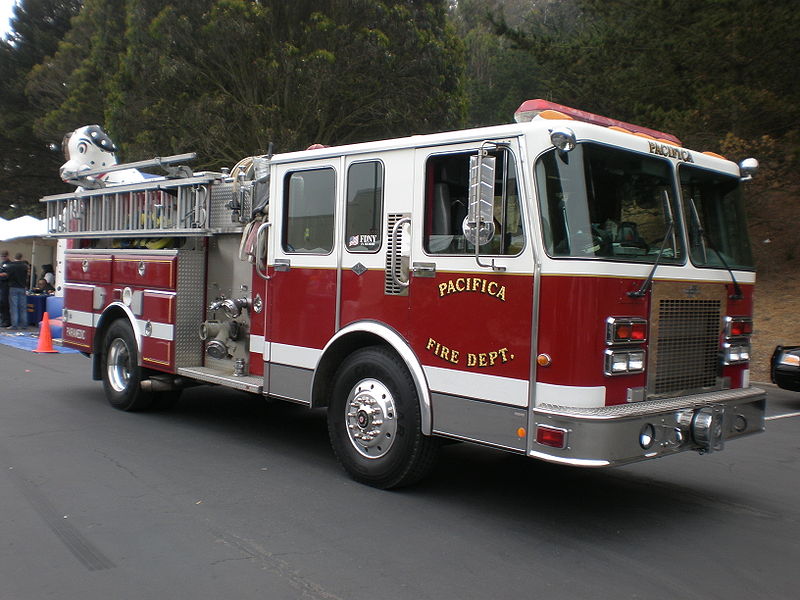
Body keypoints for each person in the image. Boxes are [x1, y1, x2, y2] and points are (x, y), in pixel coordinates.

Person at [3, 253, 30, 329]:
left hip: (13, 287)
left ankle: (14, 325)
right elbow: (27, 276)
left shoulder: (10, 266)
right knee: (23, 307)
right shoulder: (25, 266)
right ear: (21, 257)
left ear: (14, 257)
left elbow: (7, 276)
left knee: (14, 307)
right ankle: (24, 325)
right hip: (22, 287)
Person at [0, 250, 10, 327]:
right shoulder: (2, 264)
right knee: (2, 304)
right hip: (2, 286)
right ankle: (3, 320)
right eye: (1, 256)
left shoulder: (9, 264)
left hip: (5, 287)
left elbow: (7, 275)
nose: (2, 257)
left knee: (5, 304)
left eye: (4, 256)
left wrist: (2, 275)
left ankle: (6, 321)